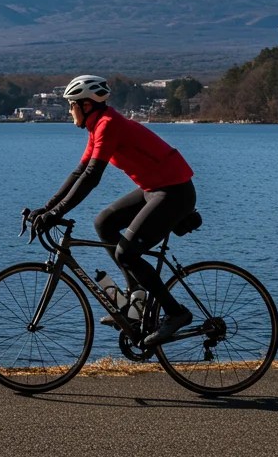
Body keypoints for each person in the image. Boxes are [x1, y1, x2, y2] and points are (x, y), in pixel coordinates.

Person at [26, 74, 197, 346]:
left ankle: (176, 313)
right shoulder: (98, 127)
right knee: (104, 222)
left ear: (86, 105)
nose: (70, 111)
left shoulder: (108, 125)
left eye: (72, 105)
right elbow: (79, 172)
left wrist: (56, 214)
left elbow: (92, 177)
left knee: (127, 253)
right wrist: (46, 209)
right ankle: (135, 302)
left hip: (174, 191)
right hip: (155, 188)